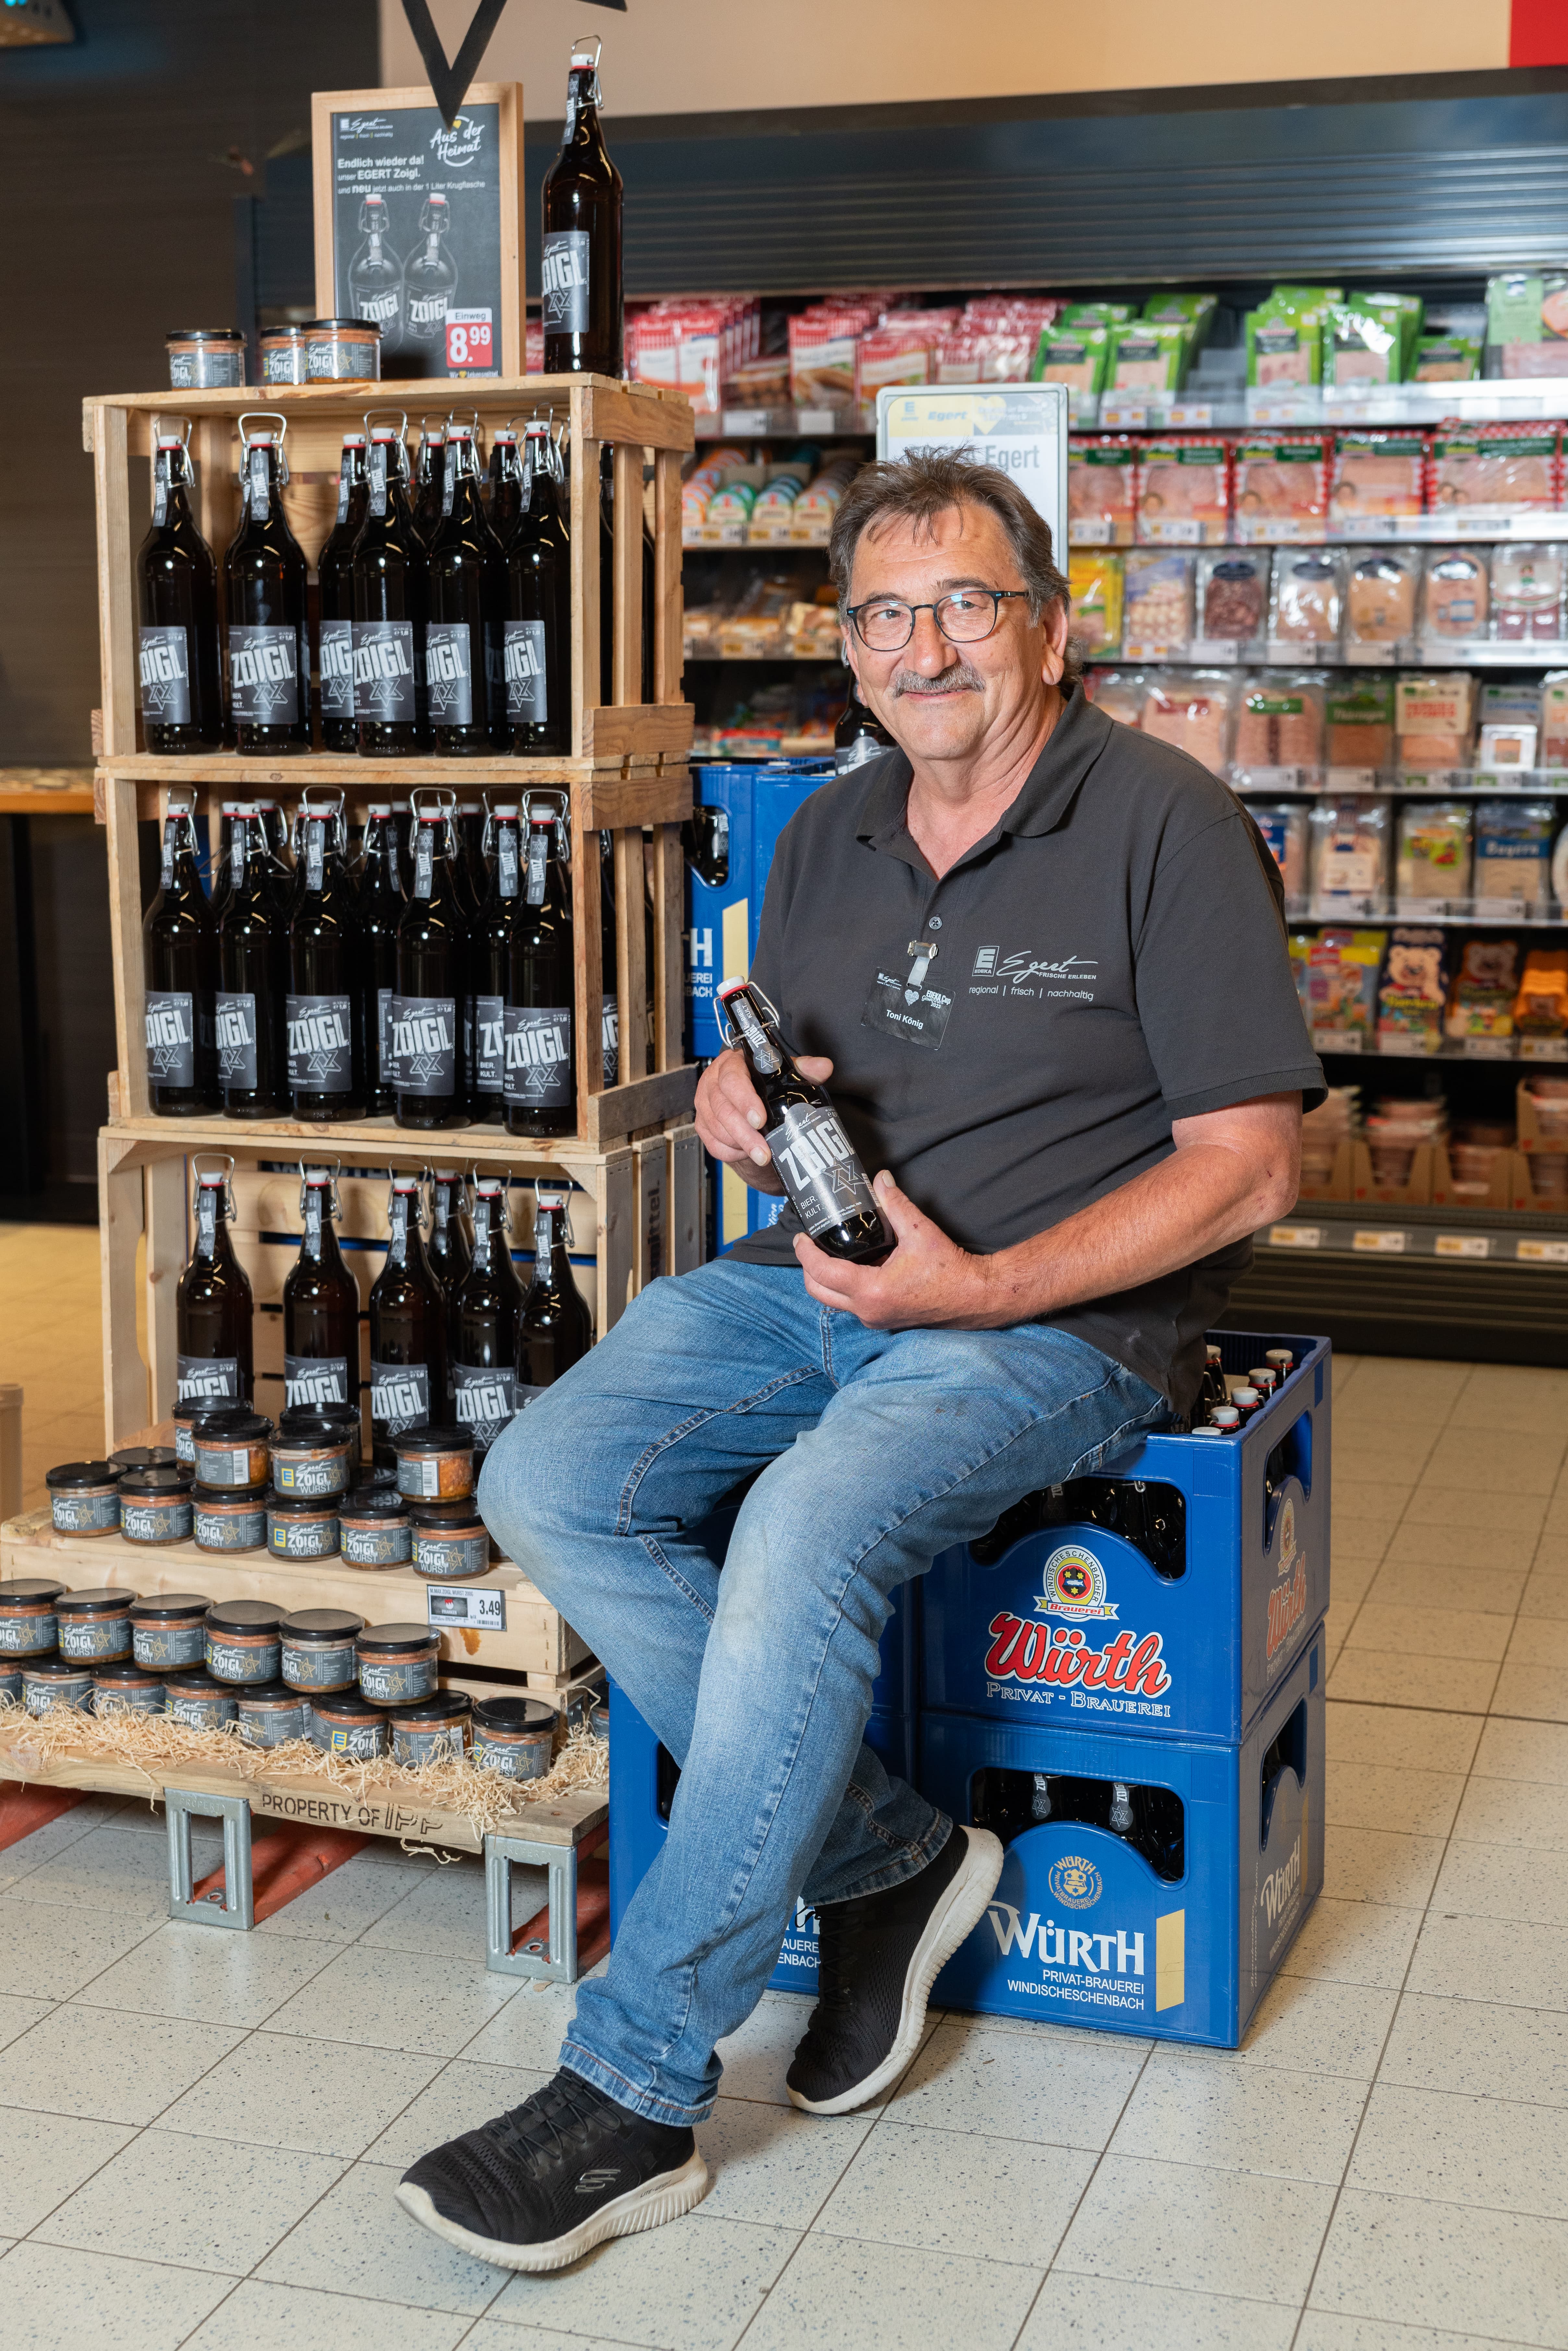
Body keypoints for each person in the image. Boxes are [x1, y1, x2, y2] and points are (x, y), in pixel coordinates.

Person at [396, 451, 1323, 2273]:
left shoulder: (1166, 826)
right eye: (885, 616)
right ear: (850, 651)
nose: (926, 646)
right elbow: (795, 1076)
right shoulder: (824, 827)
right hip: (814, 1282)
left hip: (1052, 1321)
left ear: (1049, 631)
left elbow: (1247, 1164)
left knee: (804, 1532)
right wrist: (742, 1110)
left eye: (965, 604)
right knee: (546, 1479)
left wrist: (979, 1295)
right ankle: (887, 1855)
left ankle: (636, 2088)